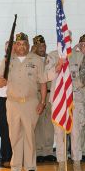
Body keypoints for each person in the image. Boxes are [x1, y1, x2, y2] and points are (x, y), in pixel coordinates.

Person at [0, 32, 47, 171]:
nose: (21, 46)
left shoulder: (37, 60)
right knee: (14, 135)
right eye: (18, 44)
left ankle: (31, 167)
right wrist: (1, 81)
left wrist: (43, 102)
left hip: (30, 102)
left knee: (29, 136)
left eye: (24, 44)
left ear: (28, 45)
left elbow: (43, 83)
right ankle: (16, 167)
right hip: (12, 103)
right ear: (14, 46)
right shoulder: (7, 61)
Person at [47, 33, 85, 171]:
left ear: (71, 41)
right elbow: (46, 76)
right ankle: (61, 163)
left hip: (75, 99)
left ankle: (77, 163)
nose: (66, 42)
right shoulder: (53, 56)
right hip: (59, 100)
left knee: (76, 132)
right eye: (63, 40)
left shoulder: (79, 56)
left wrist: (74, 85)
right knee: (59, 134)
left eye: (68, 40)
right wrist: (57, 66)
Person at [32, 35, 56, 163]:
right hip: (36, 94)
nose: (42, 48)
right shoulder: (31, 60)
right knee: (38, 122)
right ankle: (39, 151)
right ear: (34, 46)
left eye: (44, 45)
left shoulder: (50, 59)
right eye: (40, 46)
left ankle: (48, 151)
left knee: (49, 123)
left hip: (49, 94)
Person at [0, 41, 12, 168]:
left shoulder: (19, 65)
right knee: (5, 131)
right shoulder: (0, 64)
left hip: (16, 101)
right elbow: (0, 83)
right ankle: (6, 157)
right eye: (8, 48)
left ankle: (17, 157)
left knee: (17, 131)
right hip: (4, 100)